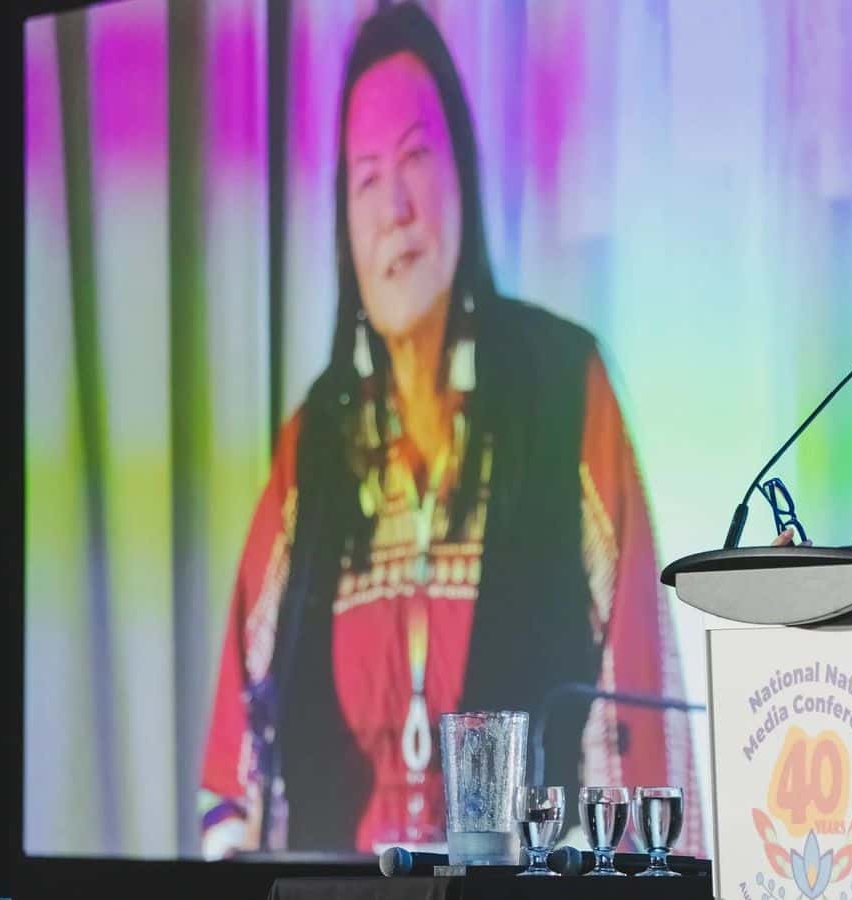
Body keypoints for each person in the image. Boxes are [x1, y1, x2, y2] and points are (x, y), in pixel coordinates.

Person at [198, 2, 698, 858]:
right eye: (363, 177)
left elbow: (633, 704)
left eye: (416, 158)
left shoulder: (564, 387)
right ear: (343, 228)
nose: (394, 206)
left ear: (461, 173)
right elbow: (236, 751)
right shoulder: (312, 444)